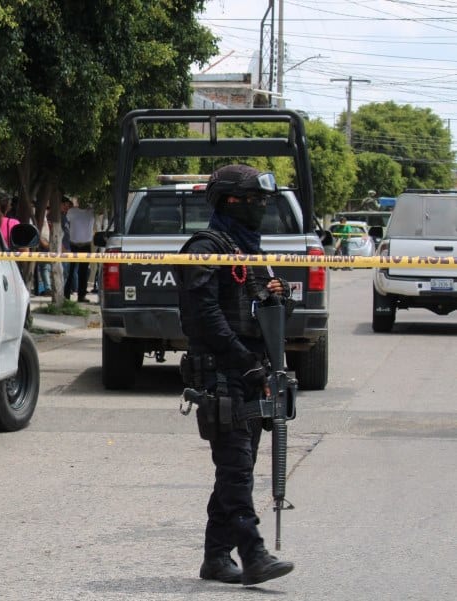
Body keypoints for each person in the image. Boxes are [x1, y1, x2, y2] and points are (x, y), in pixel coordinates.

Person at [174, 164, 295, 587]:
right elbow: (204, 317)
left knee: (234, 471)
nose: (261, 208)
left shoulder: (248, 251)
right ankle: (253, 553)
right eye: (254, 200)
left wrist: (277, 299)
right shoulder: (205, 248)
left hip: (252, 374)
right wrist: (244, 361)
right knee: (236, 470)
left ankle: (216, 557)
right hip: (221, 376)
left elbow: (261, 314)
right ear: (230, 202)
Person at [66, 198, 95, 302]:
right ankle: (66, 295)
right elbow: (67, 222)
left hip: (86, 245)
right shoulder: (72, 211)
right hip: (73, 244)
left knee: (83, 272)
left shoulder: (92, 211)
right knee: (70, 271)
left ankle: (81, 295)